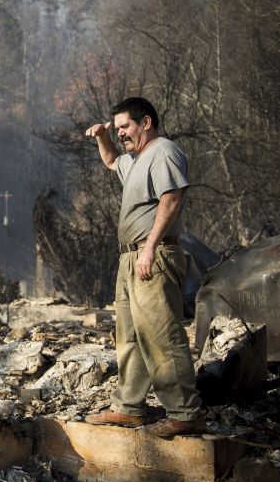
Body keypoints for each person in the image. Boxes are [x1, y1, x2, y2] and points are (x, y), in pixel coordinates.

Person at [83, 97, 205, 438]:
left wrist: (149, 249)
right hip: (130, 257)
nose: (121, 133)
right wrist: (101, 136)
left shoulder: (163, 151)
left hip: (153, 253)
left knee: (160, 333)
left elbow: (172, 199)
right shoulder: (136, 160)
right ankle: (128, 408)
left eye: (125, 127)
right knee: (130, 335)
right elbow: (110, 162)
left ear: (146, 122)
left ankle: (185, 411)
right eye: (118, 127)